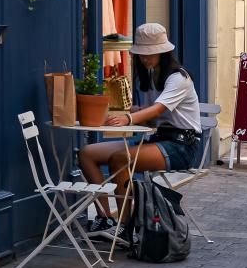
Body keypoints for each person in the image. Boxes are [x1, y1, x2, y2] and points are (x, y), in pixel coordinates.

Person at [78, 22, 202, 243]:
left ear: (163, 52)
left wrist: (128, 117)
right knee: (87, 153)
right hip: (158, 139)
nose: (145, 58)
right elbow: (153, 116)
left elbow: (158, 109)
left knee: (120, 159)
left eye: (151, 54)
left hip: (182, 145)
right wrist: (138, 111)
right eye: (142, 54)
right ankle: (105, 218)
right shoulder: (149, 76)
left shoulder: (178, 78)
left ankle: (126, 228)